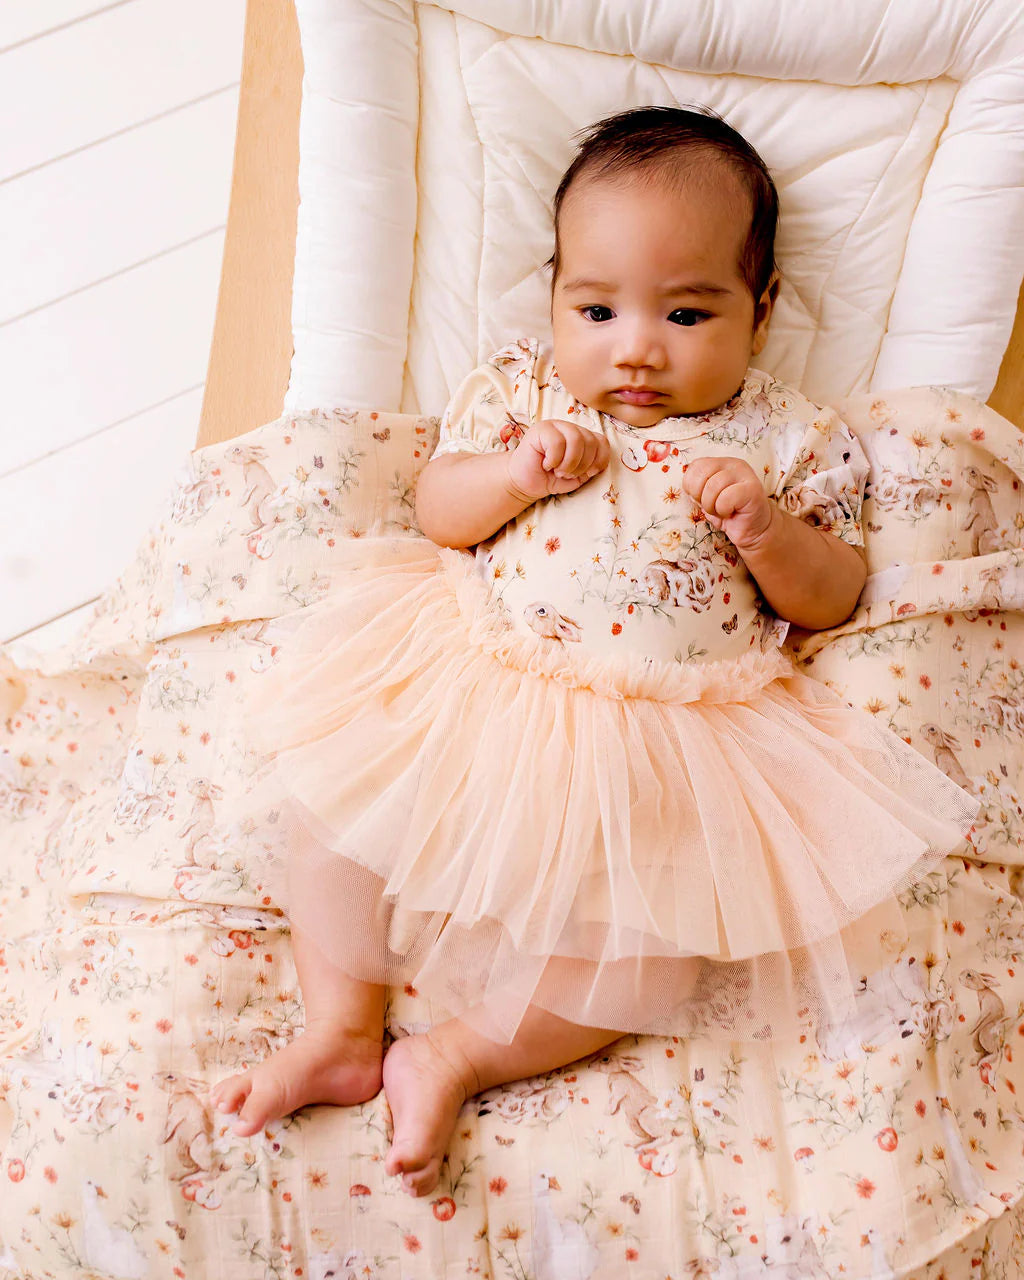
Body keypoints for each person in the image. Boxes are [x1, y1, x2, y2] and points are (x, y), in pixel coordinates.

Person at [209, 106, 979, 1197]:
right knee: (331, 801)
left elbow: (834, 594)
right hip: (479, 683)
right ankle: (339, 1027)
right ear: (554, 296)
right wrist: (514, 473)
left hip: (667, 743)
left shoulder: (786, 436)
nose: (635, 348)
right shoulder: (525, 391)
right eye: (597, 307)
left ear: (758, 312)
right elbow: (438, 509)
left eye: (686, 310)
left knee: (653, 953)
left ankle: (460, 1048)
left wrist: (765, 531)